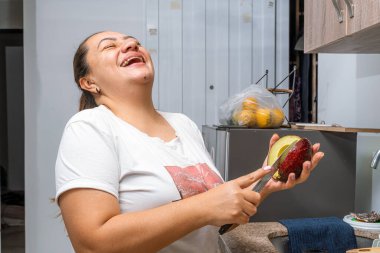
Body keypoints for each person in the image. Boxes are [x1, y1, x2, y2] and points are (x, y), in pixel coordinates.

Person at [55, 31, 324, 253]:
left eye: (134, 42)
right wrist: (205, 206)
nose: (129, 45)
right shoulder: (90, 128)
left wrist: (263, 184)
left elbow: (208, 227)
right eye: (110, 46)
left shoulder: (183, 124)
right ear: (89, 82)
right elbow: (91, 243)